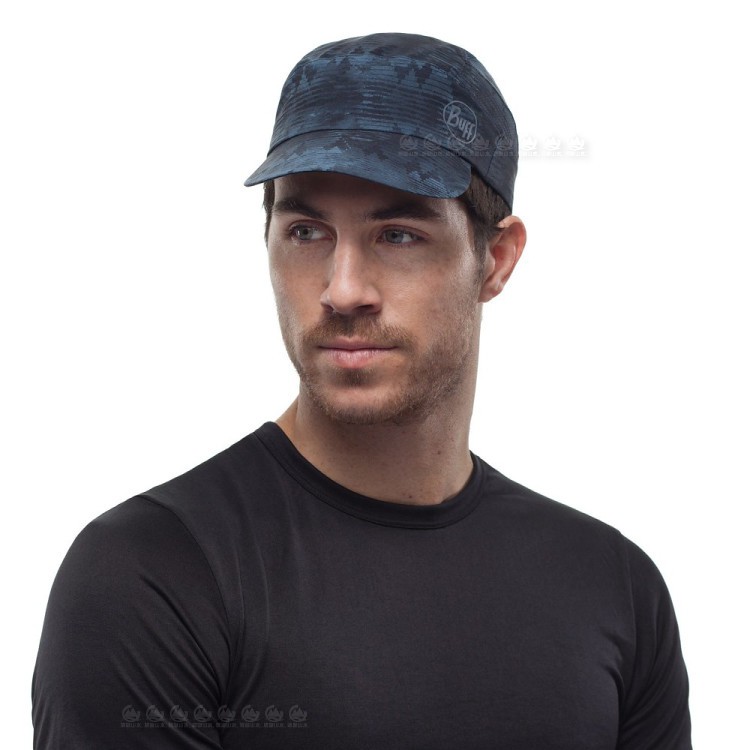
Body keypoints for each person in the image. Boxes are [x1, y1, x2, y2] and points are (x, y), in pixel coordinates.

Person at [31, 33, 692, 749]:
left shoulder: (612, 587)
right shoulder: (154, 574)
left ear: (496, 259)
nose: (343, 290)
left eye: (398, 235)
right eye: (307, 231)